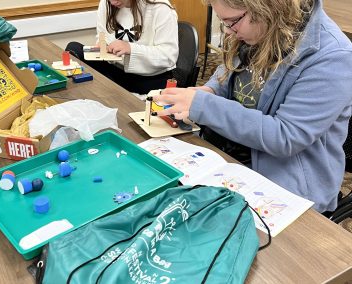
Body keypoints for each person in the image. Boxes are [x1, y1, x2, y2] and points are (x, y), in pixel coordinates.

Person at [152, 0, 352, 213]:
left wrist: (206, 106)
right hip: (227, 160)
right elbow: (228, 71)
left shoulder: (333, 57)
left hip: (285, 190)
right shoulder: (259, 28)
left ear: (266, 8)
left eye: (232, 22)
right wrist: (209, 91)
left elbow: (286, 136)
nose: (228, 32)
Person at [66, 0, 179, 94]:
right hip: (117, 70)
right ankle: (112, 92)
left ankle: (114, 94)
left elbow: (169, 56)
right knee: (74, 48)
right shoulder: (107, 3)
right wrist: (102, 45)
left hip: (150, 78)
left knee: (106, 91)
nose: (113, 2)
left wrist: (131, 48)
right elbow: (102, 36)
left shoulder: (161, 9)